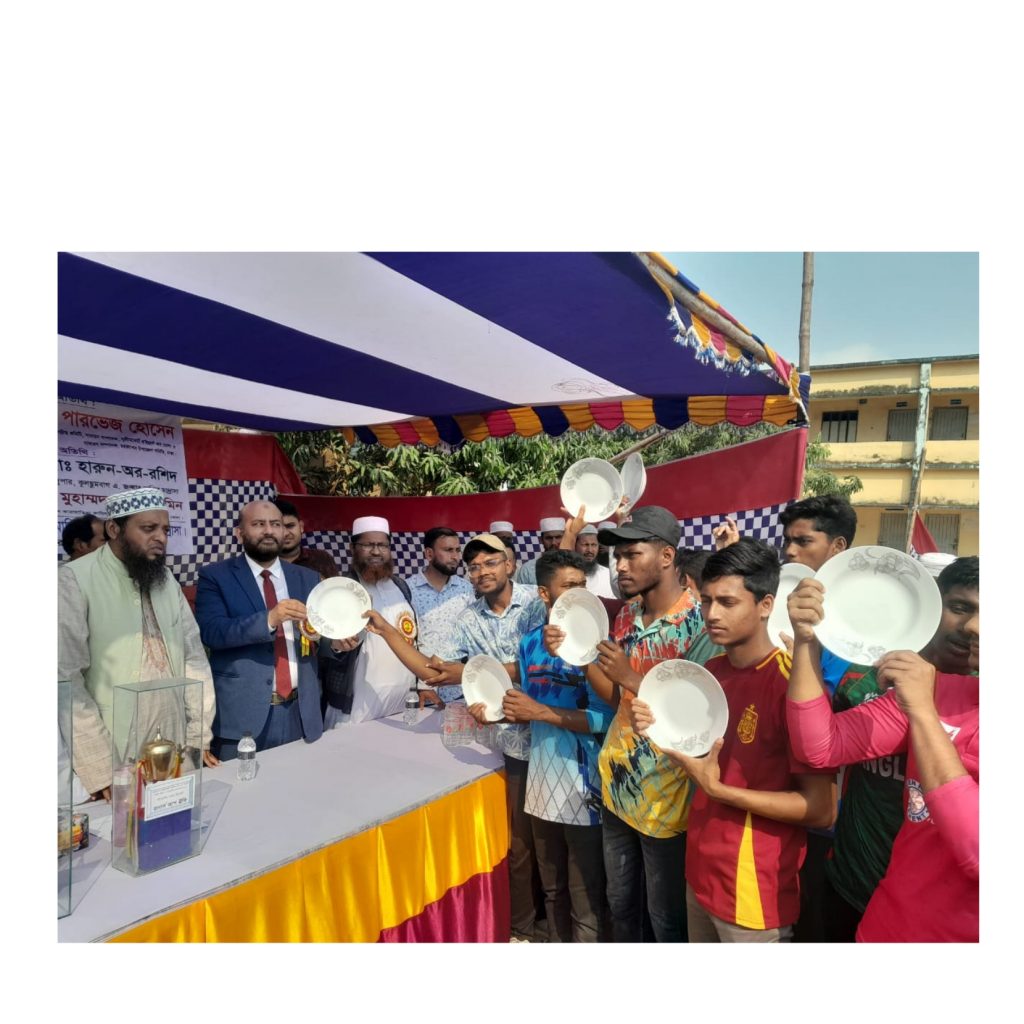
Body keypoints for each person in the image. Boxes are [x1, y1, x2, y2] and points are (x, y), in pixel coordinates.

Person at [631, 538, 836, 942]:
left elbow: (822, 809)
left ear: (765, 605)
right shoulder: (710, 672)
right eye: (707, 600)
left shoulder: (793, 685)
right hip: (701, 872)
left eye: (727, 602)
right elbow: (701, 761)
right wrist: (658, 728)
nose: (711, 614)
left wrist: (719, 790)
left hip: (752, 891)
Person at [364, 533, 547, 942]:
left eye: (491, 562)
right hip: (515, 744)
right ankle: (524, 929)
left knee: (562, 842)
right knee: (522, 843)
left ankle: (565, 926)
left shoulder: (539, 602)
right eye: (474, 566)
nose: (482, 572)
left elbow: (552, 661)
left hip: (558, 735)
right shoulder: (468, 619)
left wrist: (480, 673)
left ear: (510, 565)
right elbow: (434, 672)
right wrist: (387, 632)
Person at [785, 561, 979, 942]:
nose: (973, 627)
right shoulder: (937, 689)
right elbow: (820, 746)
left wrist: (923, 713)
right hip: (881, 925)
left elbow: (976, 850)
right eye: (963, 609)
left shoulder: (924, 699)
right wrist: (807, 640)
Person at [588, 506, 706, 942]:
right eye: (617, 556)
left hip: (667, 802)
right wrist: (581, 655)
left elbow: (698, 723)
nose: (619, 566)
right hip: (617, 787)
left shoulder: (700, 625)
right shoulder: (626, 615)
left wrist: (630, 677)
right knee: (621, 906)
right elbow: (616, 699)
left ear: (667, 556)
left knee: (666, 922)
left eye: (631, 554)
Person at [59, 488, 218, 799]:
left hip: (175, 742)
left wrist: (198, 736)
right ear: (114, 529)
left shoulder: (165, 579)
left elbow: (193, 658)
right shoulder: (74, 579)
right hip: (115, 747)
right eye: (148, 528)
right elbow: (65, 678)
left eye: (165, 530)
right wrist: (99, 766)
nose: (160, 538)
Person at [500, 549, 616, 942]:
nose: (579, 593)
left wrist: (540, 712)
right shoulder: (529, 643)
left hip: (586, 787)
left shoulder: (600, 646)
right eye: (568, 586)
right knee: (552, 890)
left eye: (583, 585)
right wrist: (500, 712)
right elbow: (527, 709)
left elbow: (607, 720)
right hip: (540, 785)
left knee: (586, 896)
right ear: (544, 595)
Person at [777, 493, 859, 941]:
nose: (790, 551)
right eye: (787, 541)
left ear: (838, 546)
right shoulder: (781, 605)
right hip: (780, 792)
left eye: (803, 541)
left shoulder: (856, 624)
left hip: (830, 809)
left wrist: (800, 667)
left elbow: (839, 714)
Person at [195, 500, 333, 758]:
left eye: (276, 524)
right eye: (258, 524)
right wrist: (269, 619)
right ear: (239, 533)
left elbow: (318, 634)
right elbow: (212, 632)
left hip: (301, 715)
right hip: (242, 720)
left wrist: (336, 643)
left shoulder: (307, 578)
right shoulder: (215, 576)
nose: (269, 531)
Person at [320, 516, 419, 726]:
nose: (376, 551)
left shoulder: (400, 586)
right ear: (352, 548)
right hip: (357, 705)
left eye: (382, 545)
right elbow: (322, 641)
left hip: (402, 700)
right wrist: (336, 645)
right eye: (368, 545)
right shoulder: (340, 589)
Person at [405, 526, 474, 704]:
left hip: (458, 692)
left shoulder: (465, 589)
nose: (455, 557)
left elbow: (472, 637)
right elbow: (404, 642)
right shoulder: (407, 589)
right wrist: (422, 683)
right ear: (429, 554)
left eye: (457, 550)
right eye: (448, 550)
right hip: (417, 693)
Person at [273, 497, 340, 579]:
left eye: (290, 526)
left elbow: (336, 586)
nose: (285, 533)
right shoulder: (265, 563)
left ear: (301, 527)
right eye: (279, 527)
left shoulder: (322, 559)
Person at [515, 516, 566, 585]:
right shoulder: (528, 570)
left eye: (558, 537)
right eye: (549, 538)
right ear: (541, 540)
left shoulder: (573, 565)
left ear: (565, 538)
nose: (553, 542)